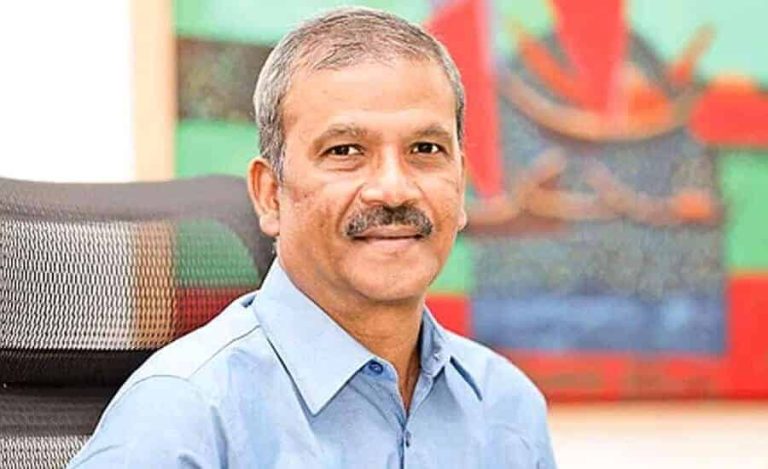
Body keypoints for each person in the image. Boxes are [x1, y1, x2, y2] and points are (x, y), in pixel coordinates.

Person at [68, 7, 556, 468]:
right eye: (345, 151)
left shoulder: (506, 408)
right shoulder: (181, 416)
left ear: (461, 184)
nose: (393, 189)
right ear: (270, 195)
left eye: (425, 149)